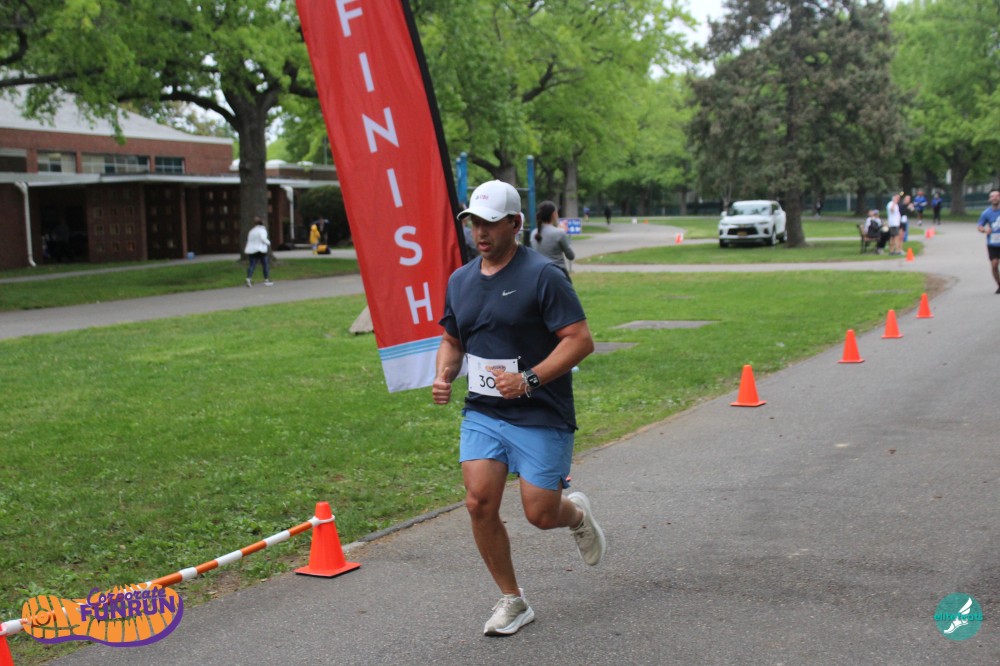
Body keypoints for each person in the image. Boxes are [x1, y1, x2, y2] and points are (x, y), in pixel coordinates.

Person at [433, 179, 605, 637]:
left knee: (540, 514)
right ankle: (513, 599)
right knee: (478, 503)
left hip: (540, 410)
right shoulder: (460, 280)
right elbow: (451, 340)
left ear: (515, 223)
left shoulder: (543, 275)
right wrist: (444, 373)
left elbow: (580, 340)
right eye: (474, 223)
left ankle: (575, 514)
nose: (480, 232)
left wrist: (529, 379)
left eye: (490, 223)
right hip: (484, 411)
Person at [532, 200, 576, 278]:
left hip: (539, 274)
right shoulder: (559, 233)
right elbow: (571, 256)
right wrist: (563, 233)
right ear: (554, 214)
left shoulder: (533, 233)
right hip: (558, 274)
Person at [975, 188, 1000, 293]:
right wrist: (984, 230)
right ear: (989, 199)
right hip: (993, 243)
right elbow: (979, 226)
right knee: (994, 265)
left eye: (997, 196)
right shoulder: (986, 213)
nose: (994, 198)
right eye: (992, 196)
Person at [245, 217, 273, 287]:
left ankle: (248, 279)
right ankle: (266, 280)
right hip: (260, 249)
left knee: (252, 265)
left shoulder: (251, 231)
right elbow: (263, 238)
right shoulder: (262, 230)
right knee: (265, 264)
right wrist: (268, 242)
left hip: (251, 249)